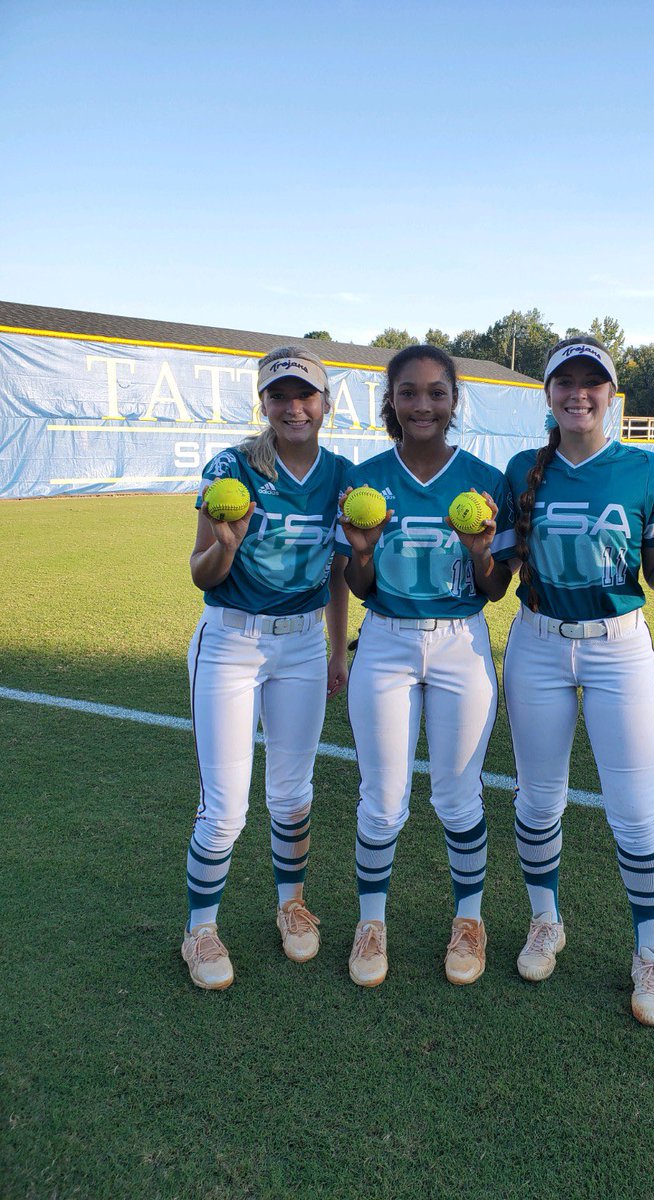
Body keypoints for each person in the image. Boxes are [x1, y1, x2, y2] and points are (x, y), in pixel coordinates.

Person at [503, 335, 654, 1026]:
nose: (579, 393)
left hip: (618, 647)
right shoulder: (520, 469)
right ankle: (545, 922)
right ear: (549, 393)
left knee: (635, 809)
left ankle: (651, 954)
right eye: (566, 381)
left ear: (610, 395)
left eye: (593, 382)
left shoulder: (647, 471)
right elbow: (496, 575)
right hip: (535, 644)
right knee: (537, 802)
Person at [335, 344, 516, 988]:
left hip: (460, 642)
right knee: (383, 801)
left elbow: (494, 591)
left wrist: (481, 551)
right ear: (391, 401)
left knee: (458, 796)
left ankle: (470, 920)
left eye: (436, 392)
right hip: (383, 641)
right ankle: (371, 921)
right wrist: (363, 549)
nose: (423, 404)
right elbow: (359, 584)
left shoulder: (487, 483)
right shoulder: (365, 481)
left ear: (453, 400)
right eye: (408, 392)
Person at [181, 345, 350, 990]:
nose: (292, 407)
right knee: (224, 808)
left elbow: (338, 572)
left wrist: (337, 650)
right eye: (279, 396)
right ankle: (200, 929)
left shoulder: (340, 476)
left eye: (304, 395)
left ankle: (291, 904)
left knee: (292, 792)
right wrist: (224, 547)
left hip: (304, 645)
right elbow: (201, 572)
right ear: (264, 405)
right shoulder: (233, 468)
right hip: (231, 640)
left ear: (325, 405)